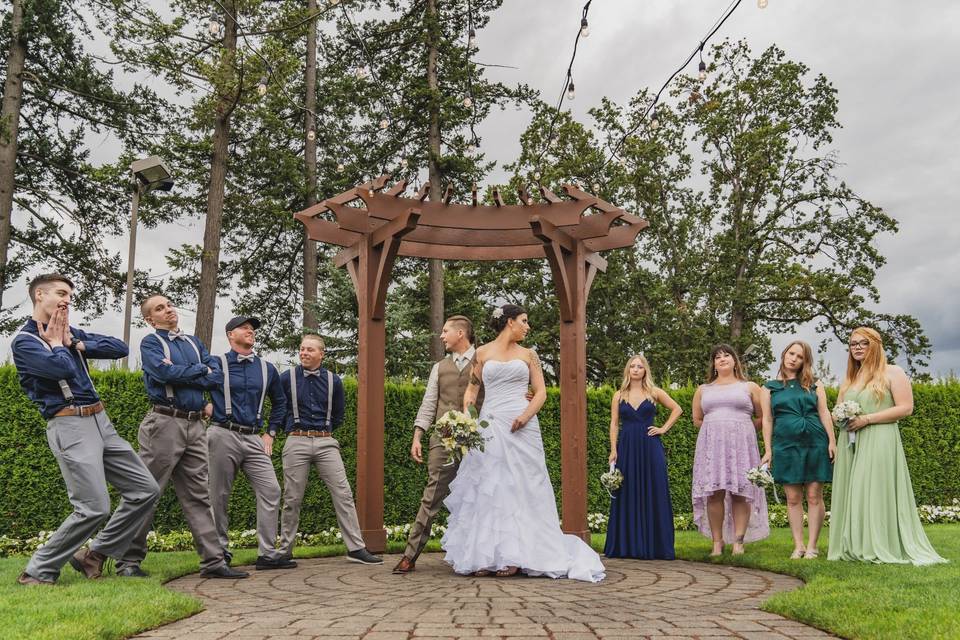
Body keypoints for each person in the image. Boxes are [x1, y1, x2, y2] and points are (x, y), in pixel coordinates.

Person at [11, 273, 160, 585]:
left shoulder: (70, 332)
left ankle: (93, 554)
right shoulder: (25, 341)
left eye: (69, 296)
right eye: (61, 293)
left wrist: (74, 341)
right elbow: (61, 368)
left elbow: (118, 348)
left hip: (101, 421)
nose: (67, 300)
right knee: (93, 507)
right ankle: (38, 570)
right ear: (39, 295)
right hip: (69, 423)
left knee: (145, 490)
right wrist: (55, 344)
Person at [441, 304, 605, 582]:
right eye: (524, 321)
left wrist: (524, 416)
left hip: (522, 425)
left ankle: (517, 556)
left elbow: (540, 393)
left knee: (521, 486)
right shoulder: (482, 353)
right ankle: (486, 555)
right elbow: (472, 390)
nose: (527, 327)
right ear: (509, 322)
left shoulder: (529, 355)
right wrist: (468, 417)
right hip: (489, 426)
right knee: (490, 488)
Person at [116, 295, 248, 579]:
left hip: (195, 425)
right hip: (163, 423)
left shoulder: (193, 343)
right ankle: (128, 562)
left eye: (169, 304)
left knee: (199, 495)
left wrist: (189, 372)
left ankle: (213, 562)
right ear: (151, 319)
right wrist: (199, 370)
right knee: (147, 492)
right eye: (159, 308)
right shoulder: (152, 343)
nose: (168, 309)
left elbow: (214, 378)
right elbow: (163, 373)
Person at [828, 327, 946, 565]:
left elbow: (906, 408)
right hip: (851, 441)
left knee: (873, 489)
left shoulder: (893, 372)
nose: (858, 347)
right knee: (854, 491)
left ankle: (879, 543)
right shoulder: (851, 377)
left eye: (863, 343)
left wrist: (867, 419)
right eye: (853, 344)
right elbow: (837, 409)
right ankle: (854, 544)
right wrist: (841, 416)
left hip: (879, 437)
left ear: (876, 345)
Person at [277, 334, 382, 565]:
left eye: (310, 350)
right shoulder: (286, 379)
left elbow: (338, 415)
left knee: (343, 494)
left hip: (326, 441)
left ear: (321, 354)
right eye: (302, 349)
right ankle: (285, 551)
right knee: (292, 498)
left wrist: (323, 432)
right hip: (296, 439)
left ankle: (356, 548)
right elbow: (279, 408)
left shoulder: (334, 380)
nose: (304, 353)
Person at [393, 316, 482, 574]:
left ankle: (475, 558)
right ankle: (410, 555)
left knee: (478, 498)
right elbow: (429, 403)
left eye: (446, 331)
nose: (441, 336)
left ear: (461, 333)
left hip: (477, 442)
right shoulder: (439, 367)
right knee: (431, 496)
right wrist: (418, 435)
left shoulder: (484, 361)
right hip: (443, 440)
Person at [207, 316, 296, 570]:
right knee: (218, 495)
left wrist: (271, 432)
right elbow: (192, 387)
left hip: (254, 437)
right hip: (222, 433)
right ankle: (218, 553)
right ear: (229, 335)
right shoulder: (216, 363)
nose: (250, 331)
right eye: (244, 328)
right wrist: (203, 406)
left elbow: (280, 403)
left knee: (271, 490)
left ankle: (267, 554)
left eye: (252, 329)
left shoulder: (267, 369)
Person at [760, 340, 836, 560]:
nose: (794, 358)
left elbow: (824, 412)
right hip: (785, 444)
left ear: (805, 361)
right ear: (784, 354)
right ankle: (798, 545)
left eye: (800, 356)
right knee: (793, 497)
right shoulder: (769, 387)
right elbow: (767, 419)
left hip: (815, 441)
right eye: (791, 353)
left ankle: (813, 545)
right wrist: (768, 450)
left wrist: (832, 441)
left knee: (814, 495)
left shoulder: (814, 384)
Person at [691, 344, 769, 556]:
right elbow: (697, 419)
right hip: (712, 447)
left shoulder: (750, 387)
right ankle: (717, 542)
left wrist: (742, 429)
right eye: (717, 357)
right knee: (714, 493)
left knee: (740, 492)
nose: (722, 359)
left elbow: (763, 416)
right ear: (714, 364)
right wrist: (716, 429)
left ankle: (738, 541)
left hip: (741, 446)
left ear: (735, 361)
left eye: (727, 355)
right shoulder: (703, 389)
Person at [604, 354, 683, 560]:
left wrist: (663, 428)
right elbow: (614, 423)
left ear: (645, 370)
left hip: (650, 447)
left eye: (640, 366)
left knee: (654, 488)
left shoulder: (654, 392)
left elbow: (677, 409)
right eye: (633, 366)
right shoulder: (619, 395)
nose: (636, 369)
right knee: (627, 490)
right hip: (627, 446)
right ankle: (627, 545)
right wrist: (614, 449)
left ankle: (656, 545)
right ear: (628, 370)